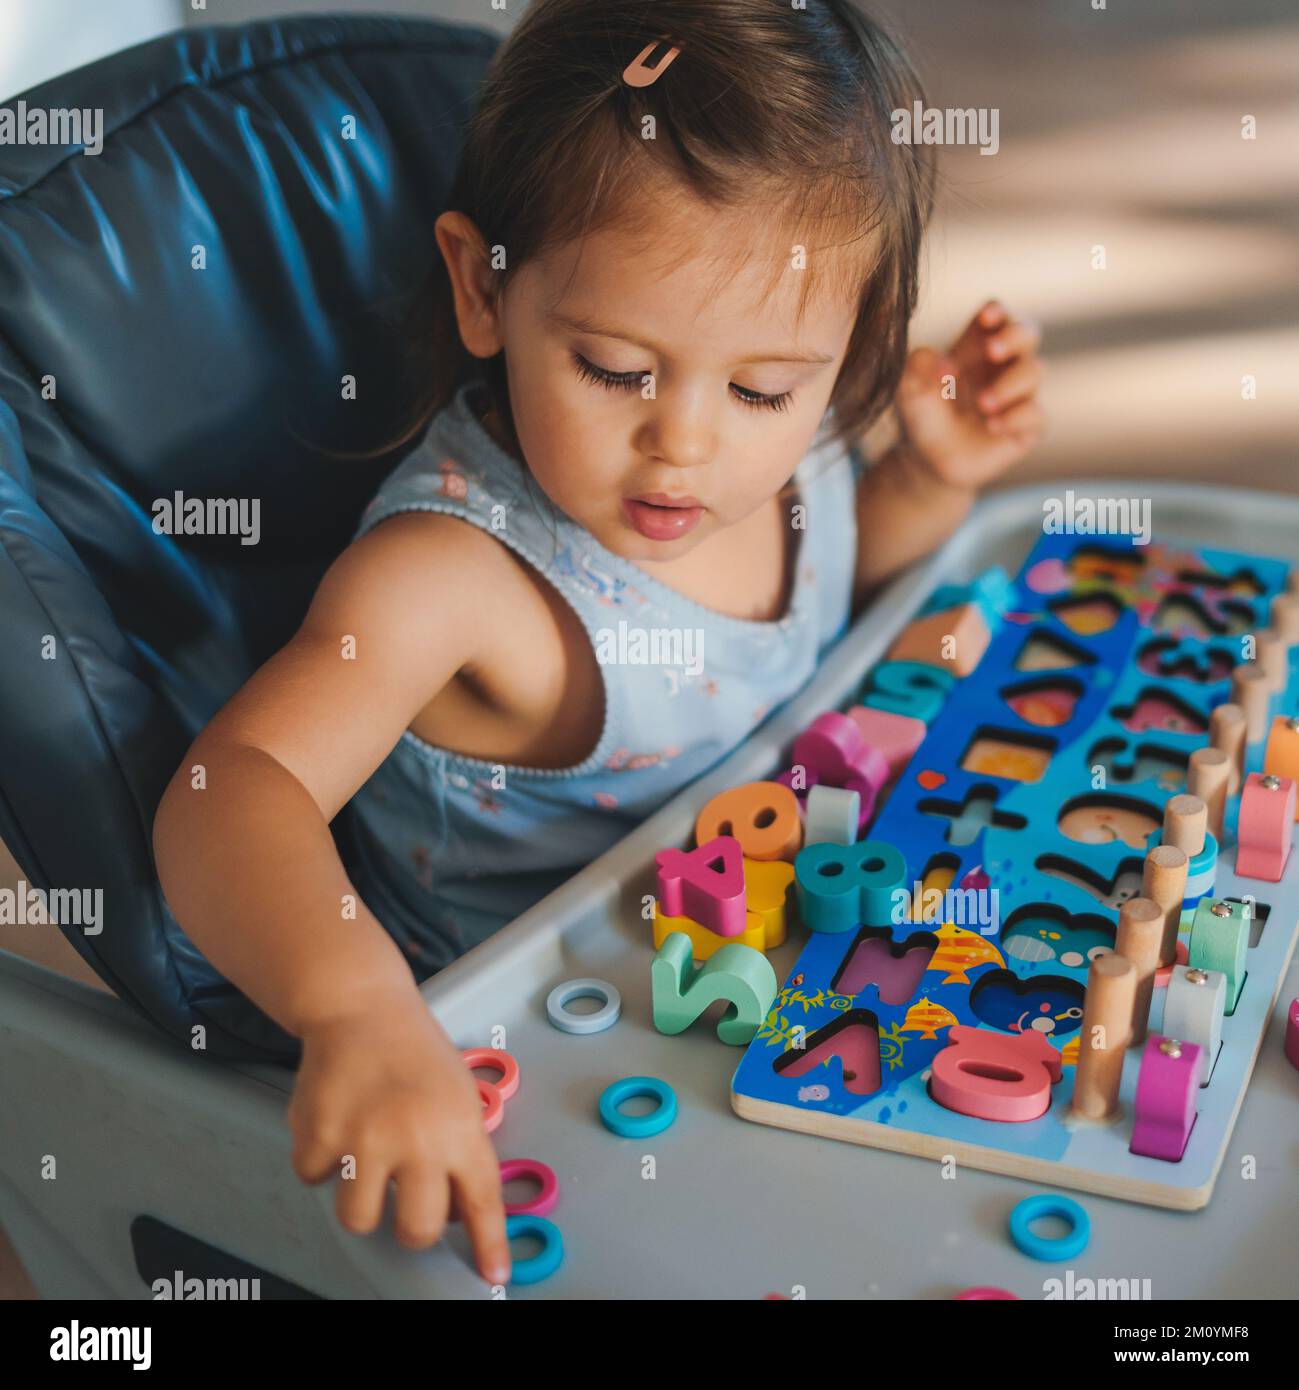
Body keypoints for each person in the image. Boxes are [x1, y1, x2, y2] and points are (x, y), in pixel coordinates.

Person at [153, 0, 1045, 1288]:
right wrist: (356, 1009)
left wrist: (931, 480)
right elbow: (228, 790)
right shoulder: (451, 580)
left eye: (761, 390)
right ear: (482, 286)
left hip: (780, 978)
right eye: (618, 368)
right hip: (574, 1078)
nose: (686, 442)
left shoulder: (797, 463)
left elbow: (828, 610)